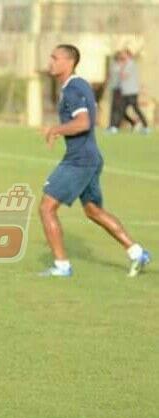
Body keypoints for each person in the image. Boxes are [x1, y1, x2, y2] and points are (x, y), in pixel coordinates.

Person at [40, 44, 150, 277]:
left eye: (55, 57)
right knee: (93, 210)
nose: (50, 62)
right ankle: (137, 252)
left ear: (69, 62)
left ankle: (62, 266)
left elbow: (84, 122)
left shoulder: (74, 88)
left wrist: (56, 129)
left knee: (46, 208)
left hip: (79, 160)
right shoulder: (75, 86)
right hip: (88, 158)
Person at [119, 49, 150, 134]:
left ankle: (146, 126)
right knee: (121, 111)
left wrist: (121, 67)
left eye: (123, 54)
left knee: (136, 109)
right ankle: (133, 123)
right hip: (125, 92)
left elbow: (123, 76)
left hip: (131, 92)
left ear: (128, 55)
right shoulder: (126, 64)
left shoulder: (130, 64)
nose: (122, 56)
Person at [107, 51, 135, 133]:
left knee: (118, 109)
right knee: (114, 108)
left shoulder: (124, 65)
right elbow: (110, 76)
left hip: (121, 89)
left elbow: (125, 76)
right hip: (114, 89)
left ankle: (115, 126)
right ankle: (112, 125)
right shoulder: (113, 65)